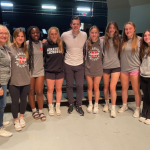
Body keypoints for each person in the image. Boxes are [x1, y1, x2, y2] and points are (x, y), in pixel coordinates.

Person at [61, 16, 87, 116]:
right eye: (74, 24)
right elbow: (56, 41)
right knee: (69, 85)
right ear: (71, 25)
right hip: (68, 63)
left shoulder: (84, 34)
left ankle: (79, 105)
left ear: (80, 25)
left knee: (80, 86)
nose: (75, 25)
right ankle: (71, 103)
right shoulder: (64, 35)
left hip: (80, 63)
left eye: (77, 24)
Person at [8, 28, 30, 131]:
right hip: (14, 80)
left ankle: (22, 117)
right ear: (14, 37)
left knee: (24, 100)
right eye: (18, 36)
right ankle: (16, 120)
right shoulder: (9, 48)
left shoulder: (26, 48)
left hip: (25, 79)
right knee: (15, 101)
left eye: (22, 36)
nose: (20, 38)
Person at [119, 22, 141, 118]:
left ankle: (137, 108)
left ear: (134, 29)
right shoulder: (122, 40)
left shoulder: (140, 40)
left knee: (136, 90)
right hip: (124, 69)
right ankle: (125, 105)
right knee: (124, 88)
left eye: (130, 28)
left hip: (135, 69)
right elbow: (111, 38)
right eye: (126, 29)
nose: (128, 31)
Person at [43, 27, 64, 116]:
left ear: (58, 34)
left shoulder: (62, 44)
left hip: (60, 71)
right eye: (52, 34)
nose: (54, 35)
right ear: (49, 35)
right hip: (49, 71)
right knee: (50, 90)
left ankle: (57, 106)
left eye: (55, 33)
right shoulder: (45, 45)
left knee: (59, 89)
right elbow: (43, 56)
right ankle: (50, 106)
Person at [27, 26, 46, 121]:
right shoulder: (26, 44)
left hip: (40, 71)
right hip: (29, 72)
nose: (36, 34)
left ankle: (41, 111)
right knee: (31, 91)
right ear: (30, 34)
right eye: (33, 33)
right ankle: (34, 110)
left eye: (37, 32)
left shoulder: (42, 44)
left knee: (39, 92)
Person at [102, 22, 121, 118]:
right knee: (105, 86)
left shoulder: (120, 39)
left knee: (112, 87)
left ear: (116, 29)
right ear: (107, 29)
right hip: (105, 66)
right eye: (110, 28)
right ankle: (107, 103)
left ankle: (113, 108)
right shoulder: (103, 40)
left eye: (113, 28)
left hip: (116, 66)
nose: (112, 29)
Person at [84, 26, 104, 114]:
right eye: (92, 32)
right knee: (89, 87)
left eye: (96, 32)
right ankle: (90, 104)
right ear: (89, 33)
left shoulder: (102, 42)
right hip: (88, 68)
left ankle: (96, 104)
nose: (94, 34)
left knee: (96, 87)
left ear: (98, 33)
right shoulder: (86, 43)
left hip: (98, 68)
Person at [0, 25, 12, 137]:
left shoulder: (3, 47)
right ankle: (0, 128)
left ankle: (0, 121)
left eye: (5, 33)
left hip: (4, 80)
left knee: (2, 104)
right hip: (0, 81)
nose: (4, 35)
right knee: (1, 104)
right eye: (1, 33)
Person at [139, 29, 150, 124]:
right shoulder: (144, 48)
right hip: (143, 75)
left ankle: (149, 116)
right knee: (146, 96)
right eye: (145, 35)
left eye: (148, 35)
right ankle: (144, 114)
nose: (147, 37)